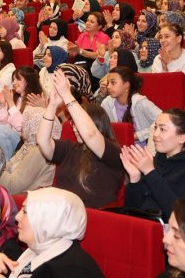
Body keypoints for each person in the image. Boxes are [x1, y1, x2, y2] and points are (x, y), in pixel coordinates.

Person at [39, 69, 126, 208]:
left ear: (97, 124)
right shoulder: (70, 148)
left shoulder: (113, 152)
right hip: (63, 211)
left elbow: (90, 135)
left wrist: (67, 95)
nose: (74, 128)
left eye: (78, 123)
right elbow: (43, 143)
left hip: (95, 217)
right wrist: (52, 105)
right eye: (73, 123)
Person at [0, 187, 103, 278]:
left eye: (25, 211)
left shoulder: (73, 271)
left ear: (48, 221)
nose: (17, 217)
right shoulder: (37, 250)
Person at [122, 109, 185, 219]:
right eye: (155, 128)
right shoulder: (158, 160)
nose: (155, 134)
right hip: (148, 228)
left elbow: (181, 217)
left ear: (181, 138)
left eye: (162, 129)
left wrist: (150, 173)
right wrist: (135, 179)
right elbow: (132, 212)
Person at [100, 66, 161, 145]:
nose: (108, 86)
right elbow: (102, 127)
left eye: (113, 83)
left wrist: (138, 135)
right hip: (120, 147)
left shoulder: (141, 102)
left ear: (127, 84)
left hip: (144, 149)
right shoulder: (107, 103)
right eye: (108, 83)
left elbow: (166, 122)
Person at [152, 24, 185, 88]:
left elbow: (181, 85)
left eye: (167, 36)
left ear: (178, 39)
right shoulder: (158, 58)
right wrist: (164, 69)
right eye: (161, 37)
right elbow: (157, 86)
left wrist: (169, 64)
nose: (162, 40)